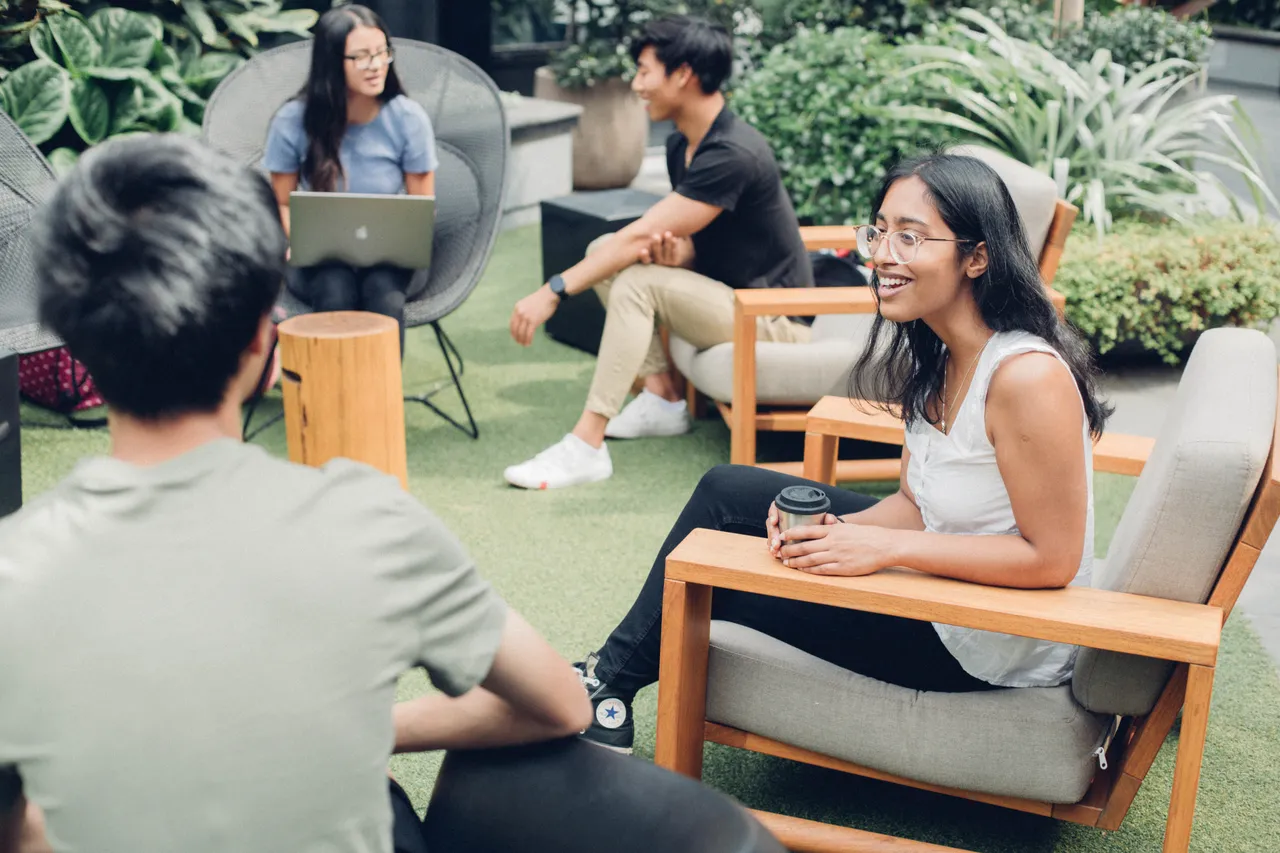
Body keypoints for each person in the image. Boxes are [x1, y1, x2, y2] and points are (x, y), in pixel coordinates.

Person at [0, 133, 589, 853]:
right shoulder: (371, 523)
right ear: (263, 337)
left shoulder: (14, 569)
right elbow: (560, 704)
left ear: (75, 342)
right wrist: (365, 729)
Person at [571, 152, 1113, 753]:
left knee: (725, 578)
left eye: (910, 237)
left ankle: (604, 691)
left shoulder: (1025, 378)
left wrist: (883, 548)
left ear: (977, 257)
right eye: (879, 231)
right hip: (942, 580)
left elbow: (1052, 560)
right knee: (727, 492)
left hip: (981, 639)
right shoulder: (939, 354)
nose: (881, 254)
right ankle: (608, 683)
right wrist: (839, 530)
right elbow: (914, 501)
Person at [504, 15, 814, 490]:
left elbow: (642, 233)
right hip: (729, 298)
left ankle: (586, 444)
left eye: (645, 71)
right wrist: (682, 258)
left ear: (683, 74)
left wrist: (553, 291)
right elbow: (697, 238)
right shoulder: (681, 146)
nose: (636, 84)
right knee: (603, 248)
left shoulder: (732, 152)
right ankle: (663, 397)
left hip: (776, 320)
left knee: (633, 272)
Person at [264, 4, 436, 353]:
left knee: (384, 295)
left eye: (381, 52)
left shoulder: (408, 119)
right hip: (320, 259)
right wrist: (297, 240)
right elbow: (281, 200)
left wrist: (407, 241)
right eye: (360, 57)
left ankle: (379, 405)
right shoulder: (293, 120)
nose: (375, 65)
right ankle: (334, 400)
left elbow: (423, 205)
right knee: (334, 289)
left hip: (391, 258)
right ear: (331, 63)